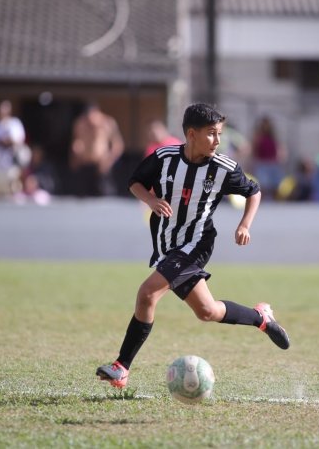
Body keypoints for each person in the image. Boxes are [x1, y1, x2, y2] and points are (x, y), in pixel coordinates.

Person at [96, 103, 290, 389]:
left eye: (219, 134)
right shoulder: (163, 158)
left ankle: (121, 367)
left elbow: (254, 192)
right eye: (211, 134)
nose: (217, 140)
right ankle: (260, 317)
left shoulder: (223, 168)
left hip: (196, 243)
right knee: (207, 311)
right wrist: (150, 200)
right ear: (191, 134)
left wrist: (244, 224)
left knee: (147, 294)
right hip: (167, 245)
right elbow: (134, 182)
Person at [69, 105, 124, 197]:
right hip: (85, 165)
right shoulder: (80, 123)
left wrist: (108, 161)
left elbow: (118, 145)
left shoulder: (107, 123)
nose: (91, 122)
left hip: (102, 166)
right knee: (84, 197)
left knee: (105, 196)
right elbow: (76, 142)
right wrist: (74, 155)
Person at [251, 116, 286, 199]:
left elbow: (278, 147)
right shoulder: (258, 136)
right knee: (264, 184)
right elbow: (254, 149)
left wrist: (280, 156)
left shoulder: (272, 136)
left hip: (273, 162)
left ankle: (273, 200)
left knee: (275, 184)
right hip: (262, 163)